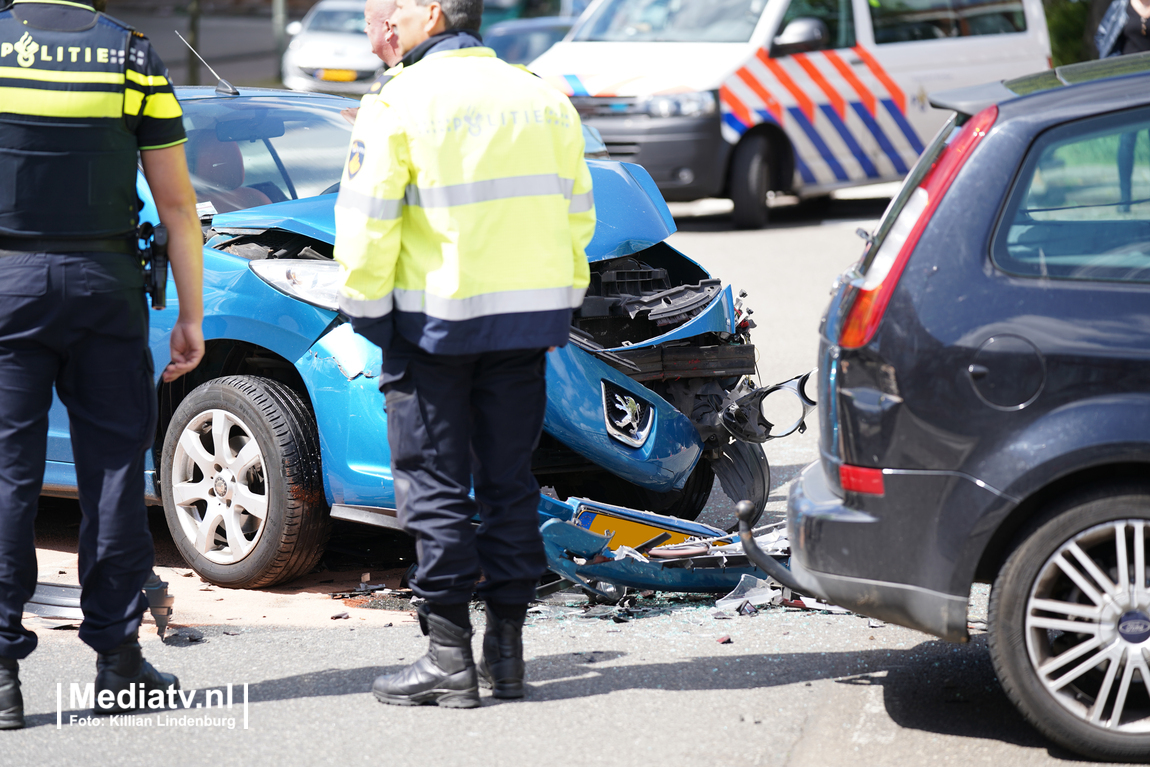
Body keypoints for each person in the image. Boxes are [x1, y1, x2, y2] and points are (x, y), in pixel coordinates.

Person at [334, 0, 595, 708]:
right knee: (509, 481)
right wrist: (559, 302)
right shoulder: (543, 100)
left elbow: (366, 225)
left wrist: (366, 311)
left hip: (431, 328)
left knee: (435, 482)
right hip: (524, 325)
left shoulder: (400, 102)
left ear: (432, 13)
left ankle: (449, 657)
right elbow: (578, 214)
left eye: (388, 10)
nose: (378, 24)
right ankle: (506, 655)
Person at [0, 0, 204, 728]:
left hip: (7, 285)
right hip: (104, 287)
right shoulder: (131, 54)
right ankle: (118, 663)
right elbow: (178, 205)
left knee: (5, 475)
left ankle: (1, 675)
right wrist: (190, 315)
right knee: (115, 470)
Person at [1096, 0, 1150, 210]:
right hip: (1129, 83)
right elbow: (1102, 35)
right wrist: (1115, 65)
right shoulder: (1121, 5)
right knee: (1127, 140)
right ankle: (1125, 198)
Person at [341, 0, 404, 124]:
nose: (365, 30)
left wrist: (362, 121)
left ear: (388, 29)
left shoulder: (393, 86)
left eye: (369, 23)